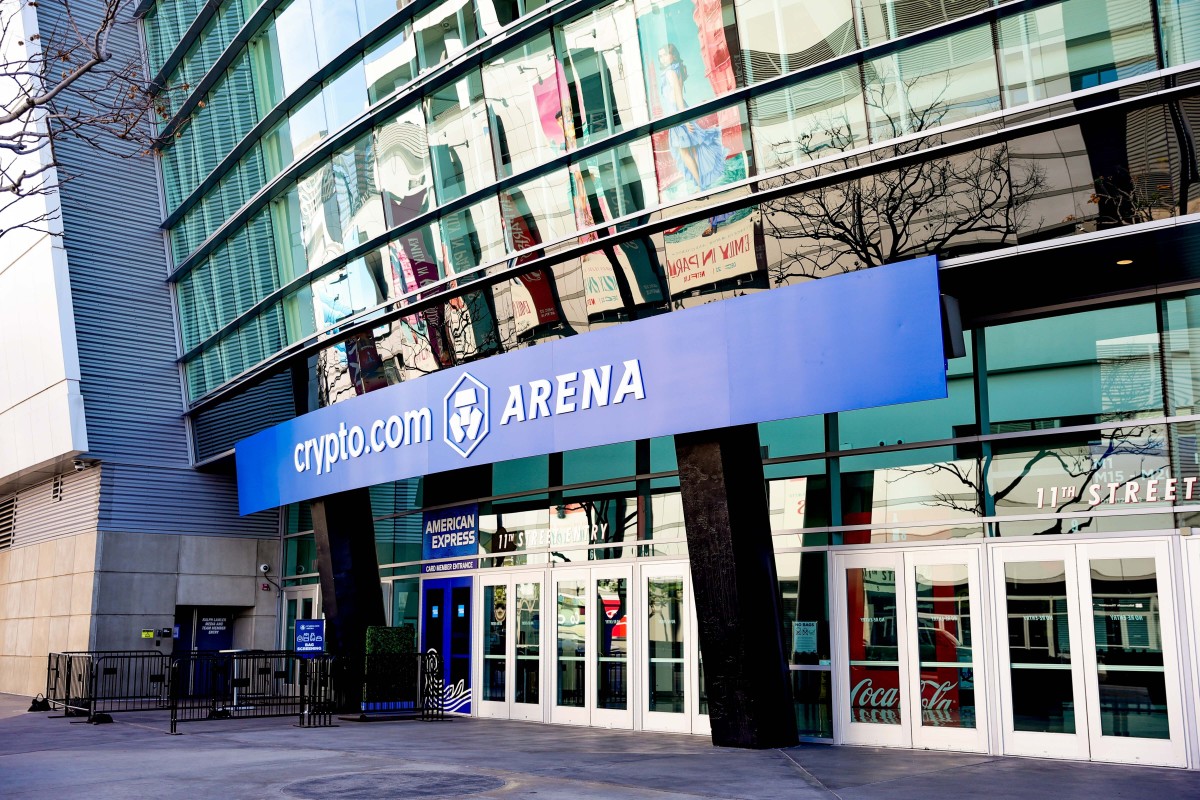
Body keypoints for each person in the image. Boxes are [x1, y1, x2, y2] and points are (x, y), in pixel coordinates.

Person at [657, 44, 729, 236]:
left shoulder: (671, 73)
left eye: (665, 54)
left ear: (673, 55)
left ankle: (700, 186)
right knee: (693, 154)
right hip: (678, 116)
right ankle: (709, 207)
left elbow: (678, 97)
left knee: (686, 154)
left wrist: (685, 120)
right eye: (660, 56)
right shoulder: (673, 71)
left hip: (679, 117)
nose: (663, 58)